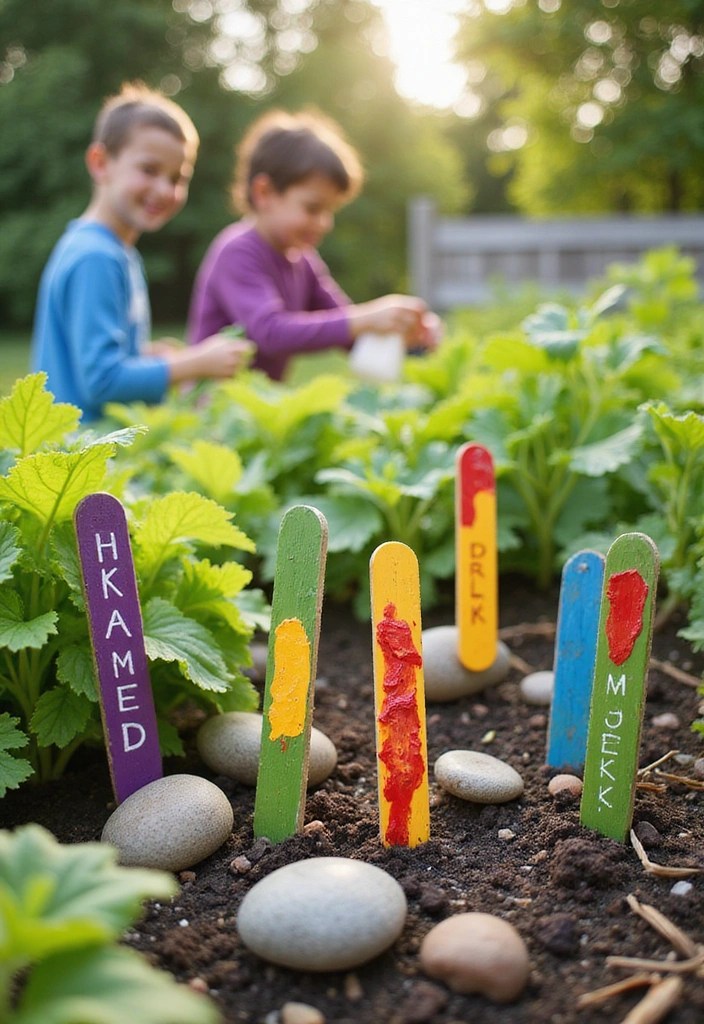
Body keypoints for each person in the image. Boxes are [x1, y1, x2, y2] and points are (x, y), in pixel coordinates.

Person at [31, 82, 251, 422]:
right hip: (82, 460)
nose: (164, 189)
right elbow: (101, 382)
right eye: (149, 170)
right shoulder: (96, 258)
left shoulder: (115, 253)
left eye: (178, 178)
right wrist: (192, 364)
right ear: (101, 163)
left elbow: (91, 359)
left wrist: (147, 356)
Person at [187, 109, 440, 381]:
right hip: (213, 413)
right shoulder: (238, 251)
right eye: (313, 208)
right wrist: (366, 318)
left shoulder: (303, 261)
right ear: (264, 193)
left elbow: (347, 330)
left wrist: (407, 335)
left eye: (330, 210)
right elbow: (271, 333)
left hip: (258, 410)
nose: (324, 223)